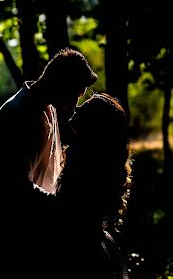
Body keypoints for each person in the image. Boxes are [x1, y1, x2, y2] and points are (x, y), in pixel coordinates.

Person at [0, 47, 98, 279]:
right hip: (13, 240)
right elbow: (14, 189)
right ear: (61, 83)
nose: (75, 102)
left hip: (38, 234)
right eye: (76, 93)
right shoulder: (18, 116)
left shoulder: (48, 108)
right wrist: (66, 208)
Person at [53, 92, 132, 279]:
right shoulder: (97, 160)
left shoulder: (88, 166)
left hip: (82, 249)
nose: (77, 108)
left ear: (94, 126)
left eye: (85, 108)